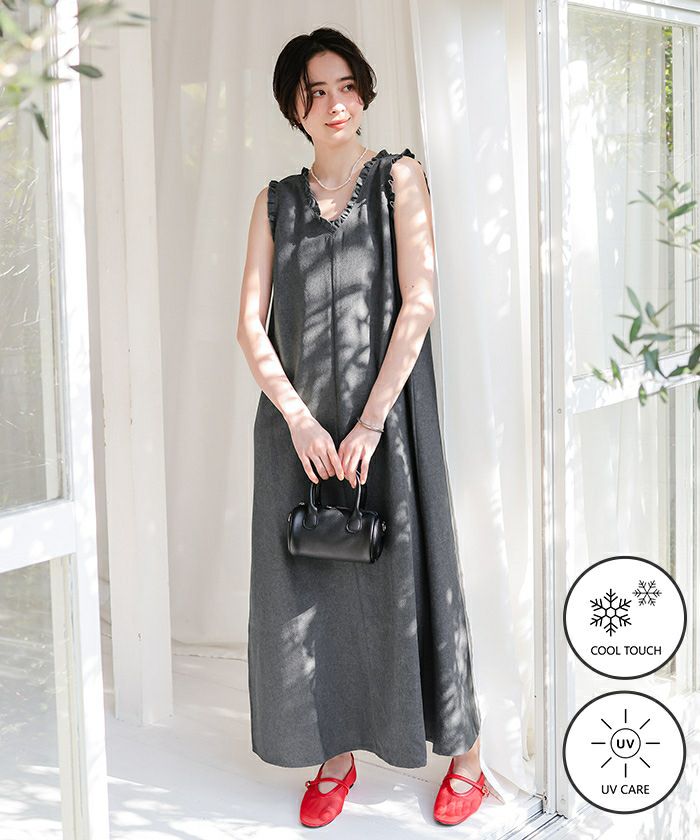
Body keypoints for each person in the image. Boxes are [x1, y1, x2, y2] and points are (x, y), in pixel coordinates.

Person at [237, 26, 489, 828]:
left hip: (391, 421)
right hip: (301, 433)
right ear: (295, 108)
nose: (334, 103)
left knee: (418, 572)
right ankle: (335, 751)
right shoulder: (274, 203)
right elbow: (250, 327)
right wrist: (299, 420)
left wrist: (372, 422)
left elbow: (420, 303)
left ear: (365, 91)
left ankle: (467, 754)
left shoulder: (397, 180)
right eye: (315, 92)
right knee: (314, 584)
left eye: (345, 86)